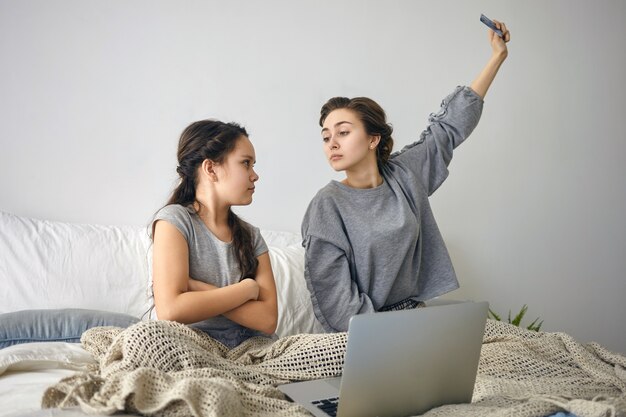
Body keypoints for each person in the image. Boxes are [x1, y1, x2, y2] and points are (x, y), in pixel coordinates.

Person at [301, 20, 511, 332]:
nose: (332, 142)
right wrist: (384, 336)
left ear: (373, 139)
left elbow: (449, 128)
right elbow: (333, 296)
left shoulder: (404, 175)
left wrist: (496, 57)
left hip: (413, 319)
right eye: (325, 136)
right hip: (354, 333)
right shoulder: (327, 205)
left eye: (343, 132)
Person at [151, 120, 278, 348]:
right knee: (141, 339)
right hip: (192, 346)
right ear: (211, 169)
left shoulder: (251, 236)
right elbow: (171, 310)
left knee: (336, 348)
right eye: (246, 163)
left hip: (252, 347)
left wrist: (198, 288)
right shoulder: (175, 221)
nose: (255, 175)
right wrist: (246, 290)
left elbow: (268, 320)